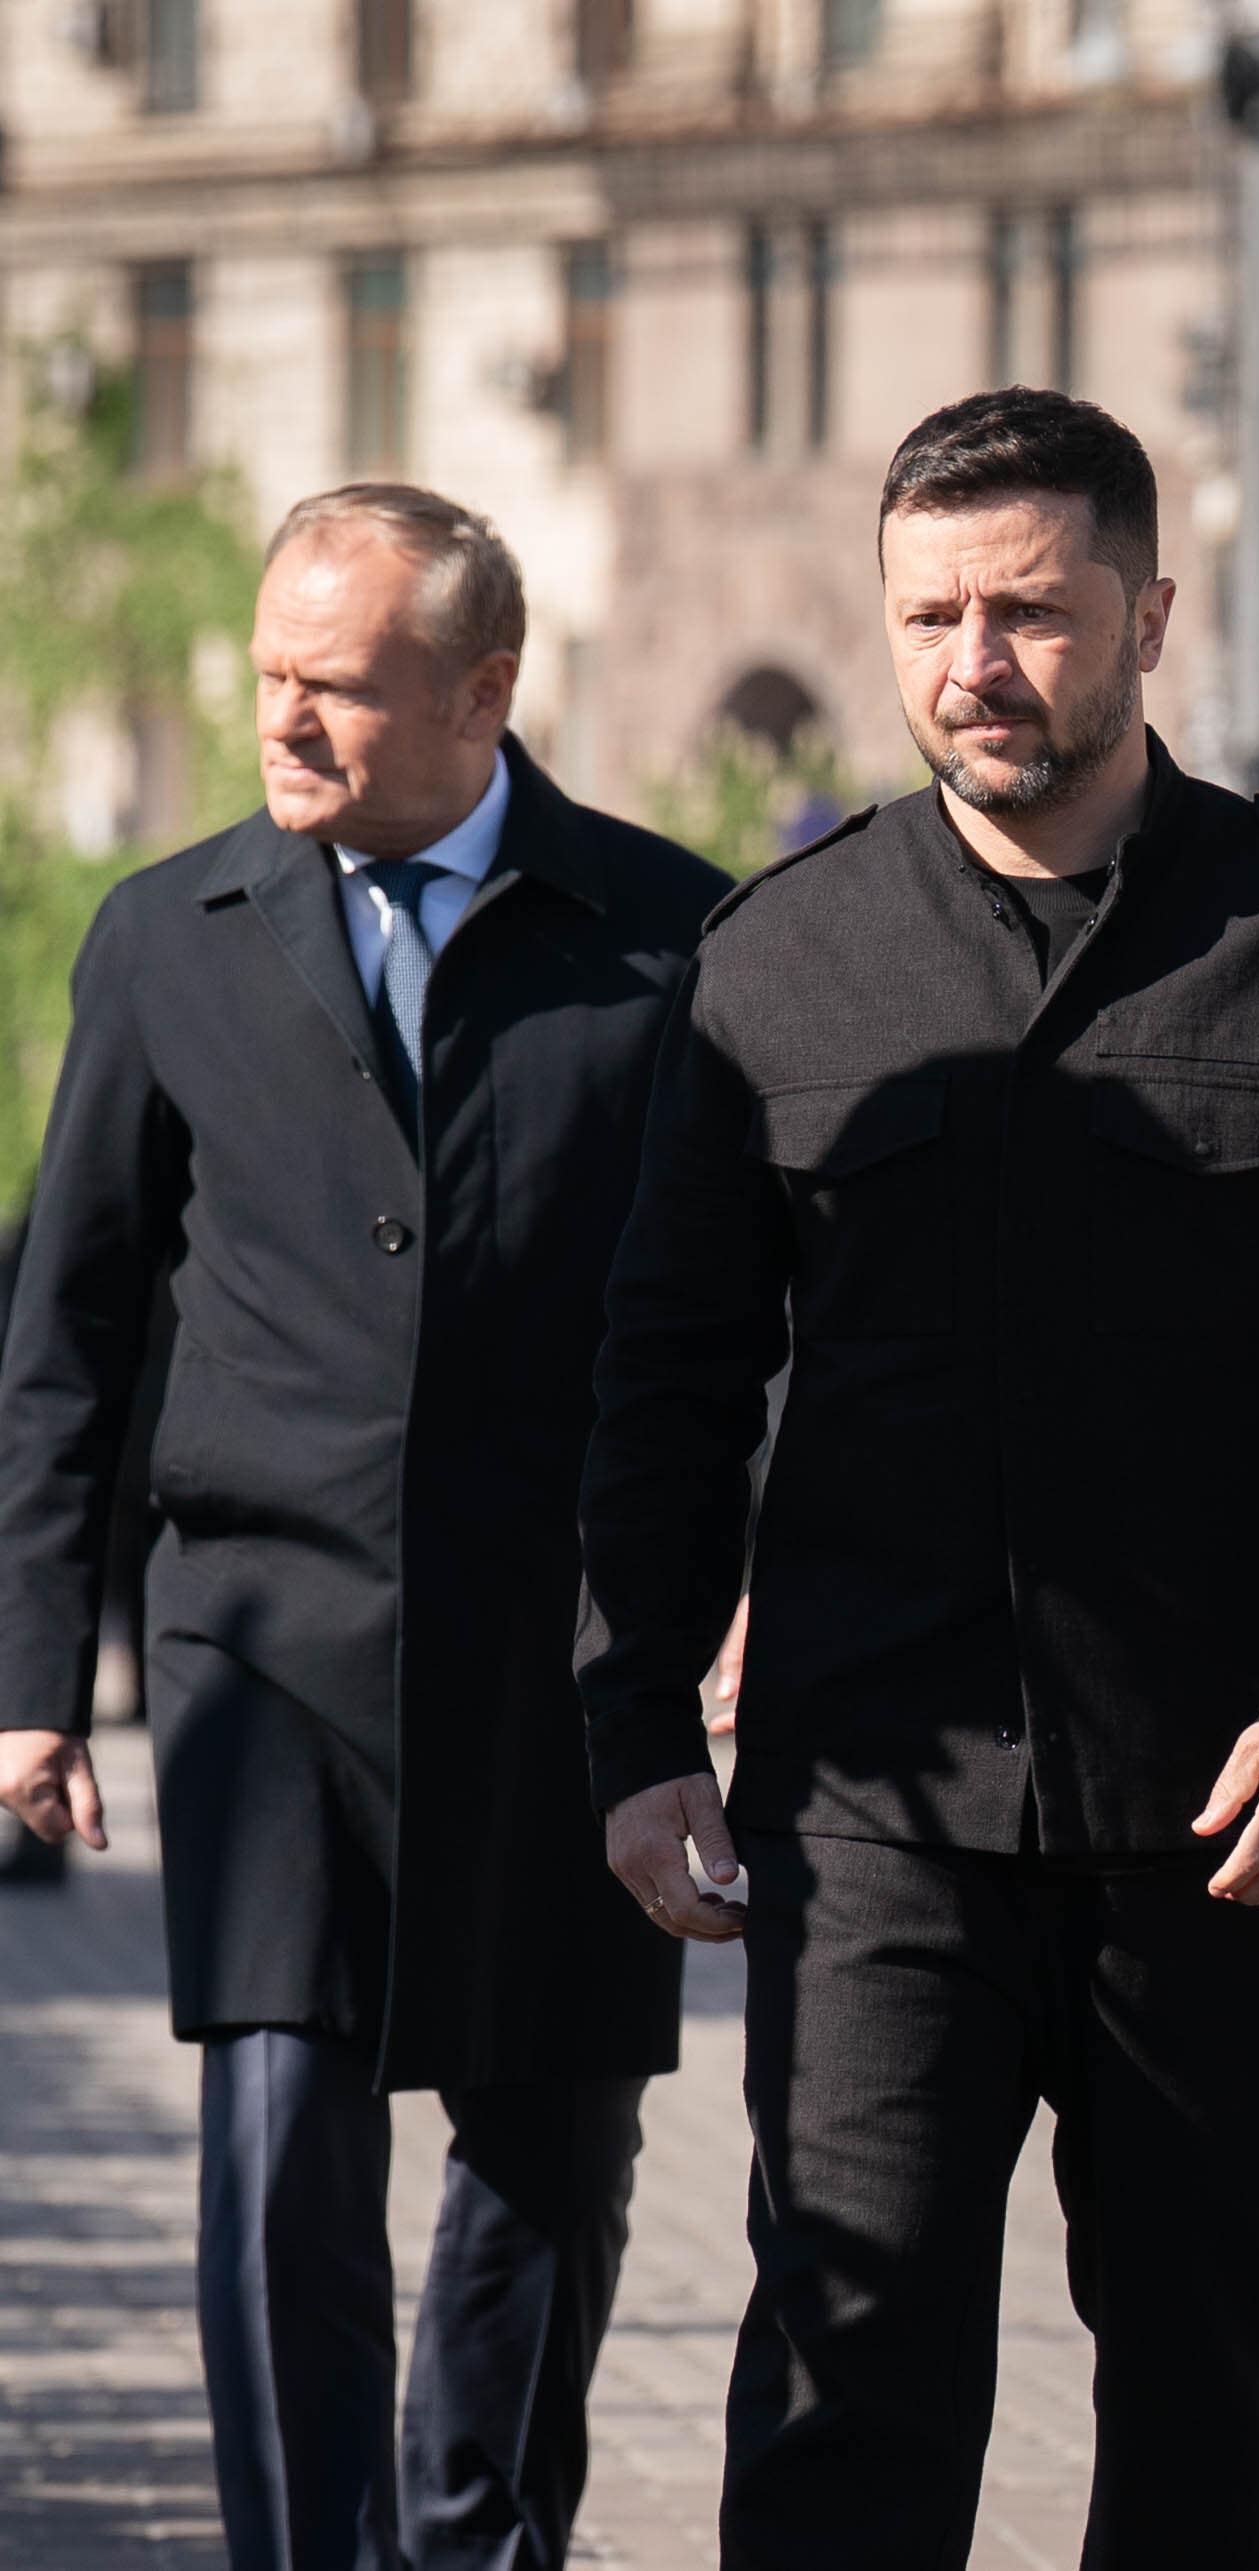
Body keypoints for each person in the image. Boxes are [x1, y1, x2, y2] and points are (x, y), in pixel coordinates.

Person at [571, 388, 1259, 2569]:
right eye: (929, 616)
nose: (974, 662)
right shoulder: (775, 960)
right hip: (874, 1807)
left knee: (1199, 2356)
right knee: (846, 2348)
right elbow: (667, 1381)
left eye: (1029, 612)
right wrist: (632, 1731)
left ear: (1148, 613)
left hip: (1225, 1812)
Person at [0, 485, 725, 2569]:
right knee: (274, 2119)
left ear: (487, 691)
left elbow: (728, 1321)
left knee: (551, 2148)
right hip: (260, 1634)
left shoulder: (664, 934)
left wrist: (720, 1605)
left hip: (565, 1652)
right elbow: (72, 1323)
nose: (285, 720)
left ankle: (476, 2539)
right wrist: (32, 1681)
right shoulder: (166, 932)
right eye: (266, 676)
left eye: (337, 685)